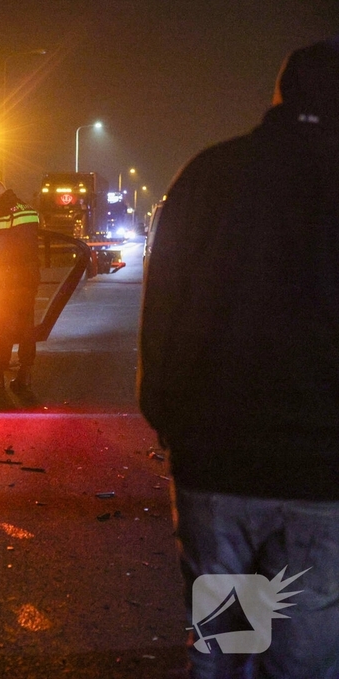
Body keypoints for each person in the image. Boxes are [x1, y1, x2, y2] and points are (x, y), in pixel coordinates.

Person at [138, 38, 339, 679]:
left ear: (279, 95)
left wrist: (171, 420)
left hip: (219, 465)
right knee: (305, 653)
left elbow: (163, 311)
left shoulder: (211, 175)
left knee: (226, 644)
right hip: (323, 480)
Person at [0, 178, 41, 399]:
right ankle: (24, 374)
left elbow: (5, 248)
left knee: (4, 325)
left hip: (12, 279)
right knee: (26, 326)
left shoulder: (5, 211)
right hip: (26, 277)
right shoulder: (25, 209)